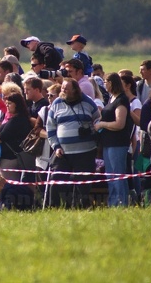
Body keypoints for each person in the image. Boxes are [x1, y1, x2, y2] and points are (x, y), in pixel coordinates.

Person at [47, 78, 100, 208]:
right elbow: (50, 128)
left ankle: (83, 208)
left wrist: (93, 130)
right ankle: (55, 208)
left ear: (75, 90)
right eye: (62, 88)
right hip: (62, 153)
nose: (63, 90)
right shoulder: (56, 103)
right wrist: (56, 146)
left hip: (85, 152)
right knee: (56, 180)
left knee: (83, 185)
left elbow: (98, 119)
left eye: (66, 88)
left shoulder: (88, 102)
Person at [94, 73, 134, 207]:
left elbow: (119, 124)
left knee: (117, 175)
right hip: (108, 143)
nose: (104, 84)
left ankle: (121, 203)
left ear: (111, 83)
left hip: (118, 143)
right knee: (110, 176)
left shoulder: (121, 100)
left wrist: (101, 124)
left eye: (106, 81)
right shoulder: (112, 98)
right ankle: (113, 203)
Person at [0, 93, 33, 182]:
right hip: (6, 158)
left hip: (10, 159)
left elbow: (2, 137)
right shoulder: (16, 118)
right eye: (6, 103)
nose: (7, 105)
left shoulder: (18, 120)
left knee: (9, 188)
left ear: (17, 105)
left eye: (9, 103)